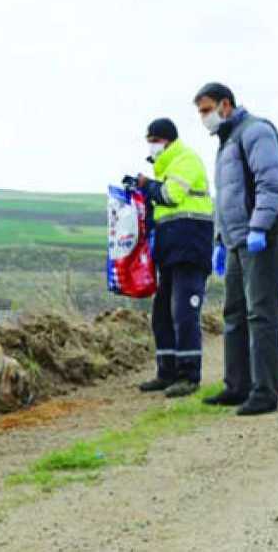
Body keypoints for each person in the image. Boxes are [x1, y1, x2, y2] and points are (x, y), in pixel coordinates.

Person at [193, 82, 278, 416]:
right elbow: (227, 198)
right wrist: (220, 240)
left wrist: (259, 227)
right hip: (236, 240)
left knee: (261, 315)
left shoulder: (256, 132)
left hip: (262, 237)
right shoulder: (227, 142)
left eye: (206, 110)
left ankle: (265, 392)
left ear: (225, 104)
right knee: (234, 314)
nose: (203, 118)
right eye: (200, 112)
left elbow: (271, 182)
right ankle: (237, 386)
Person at [124, 118, 214, 398]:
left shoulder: (186, 160)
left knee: (184, 314)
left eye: (154, 140)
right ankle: (167, 372)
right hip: (171, 252)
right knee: (162, 314)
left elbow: (170, 195)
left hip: (190, 248)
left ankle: (189, 375)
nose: (151, 146)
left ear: (166, 140)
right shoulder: (166, 168)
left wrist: (146, 184)